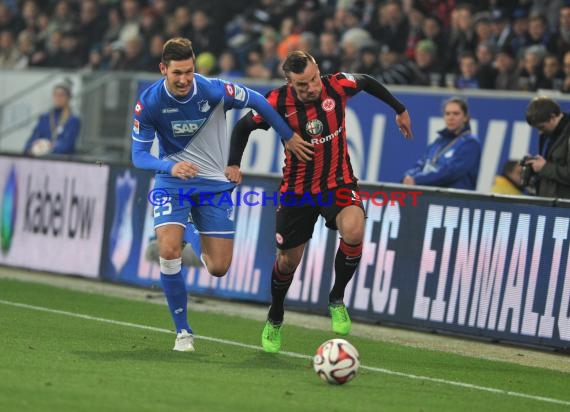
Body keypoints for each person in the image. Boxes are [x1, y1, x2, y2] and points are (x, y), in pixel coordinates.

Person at [131, 38, 310, 352]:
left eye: (189, 71)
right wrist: (168, 167)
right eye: (177, 73)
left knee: (218, 267)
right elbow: (139, 155)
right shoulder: (149, 103)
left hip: (213, 185)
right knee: (169, 251)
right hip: (172, 183)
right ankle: (183, 331)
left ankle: (185, 230)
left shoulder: (214, 91)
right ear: (163, 70)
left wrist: (287, 134)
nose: (185, 79)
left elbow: (257, 99)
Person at [228, 50, 412, 353]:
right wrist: (234, 163)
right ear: (289, 82)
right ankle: (275, 316)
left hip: (337, 183)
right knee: (287, 261)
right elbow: (242, 126)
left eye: (314, 78)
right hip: (297, 192)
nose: (312, 87)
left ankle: (336, 298)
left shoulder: (336, 85)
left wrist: (399, 108)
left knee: (354, 231)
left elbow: (365, 81)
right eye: (303, 84)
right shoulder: (276, 102)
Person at [402, 97, 480, 190]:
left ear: (465, 117)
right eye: (447, 113)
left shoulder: (470, 143)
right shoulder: (438, 141)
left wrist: (417, 180)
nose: (451, 117)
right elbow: (422, 163)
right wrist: (408, 176)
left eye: (456, 113)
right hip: (431, 197)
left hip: (455, 200)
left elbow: (450, 172)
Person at [524, 96, 570, 198]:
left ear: (553, 117)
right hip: (550, 206)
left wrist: (544, 167)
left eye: (541, 127)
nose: (540, 132)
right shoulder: (551, 134)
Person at [23, 81, 80, 157]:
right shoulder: (45, 117)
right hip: (40, 158)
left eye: (61, 95)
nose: (58, 98)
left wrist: (48, 147)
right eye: (55, 95)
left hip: (61, 160)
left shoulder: (73, 120)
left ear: (68, 98)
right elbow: (32, 139)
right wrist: (31, 148)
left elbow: (67, 144)